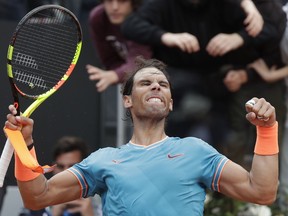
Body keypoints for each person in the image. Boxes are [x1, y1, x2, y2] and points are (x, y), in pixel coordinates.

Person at [4, 56, 279, 215]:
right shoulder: (103, 160)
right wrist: (24, 143)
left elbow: (262, 192)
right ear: (127, 100)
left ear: (171, 102)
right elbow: (37, 197)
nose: (156, 87)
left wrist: (266, 131)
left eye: (163, 85)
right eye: (146, 83)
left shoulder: (197, 151)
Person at [18, 136, 102, 216]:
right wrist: (52, 213)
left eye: (72, 167)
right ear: (53, 168)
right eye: (61, 166)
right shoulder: (37, 202)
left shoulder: (99, 202)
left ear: (84, 169)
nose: (65, 172)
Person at [86, 0, 151, 92]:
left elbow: (140, 61)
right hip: (136, 84)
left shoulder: (144, 16)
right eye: (109, 1)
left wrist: (116, 75)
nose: (115, 7)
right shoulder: (97, 18)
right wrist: (119, 75)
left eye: (122, 1)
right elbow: (110, 61)